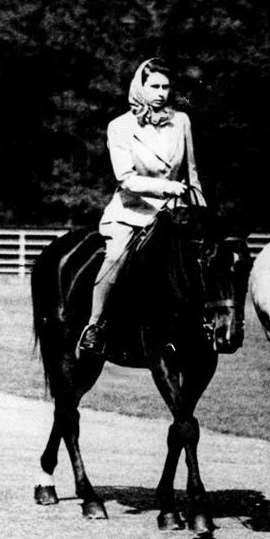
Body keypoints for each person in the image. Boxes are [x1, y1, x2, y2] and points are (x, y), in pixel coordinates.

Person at [76, 59, 206, 357]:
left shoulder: (182, 121)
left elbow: (192, 172)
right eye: (154, 86)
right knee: (116, 257)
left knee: (206, 260)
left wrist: (200, 209)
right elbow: (126, 179)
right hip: (131, 214)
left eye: (166, 87)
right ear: (141, 87)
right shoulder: (120, 126)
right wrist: (167, 188)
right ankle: (94, 326)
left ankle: (208, 324)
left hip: (175, 214)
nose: (161, 93)